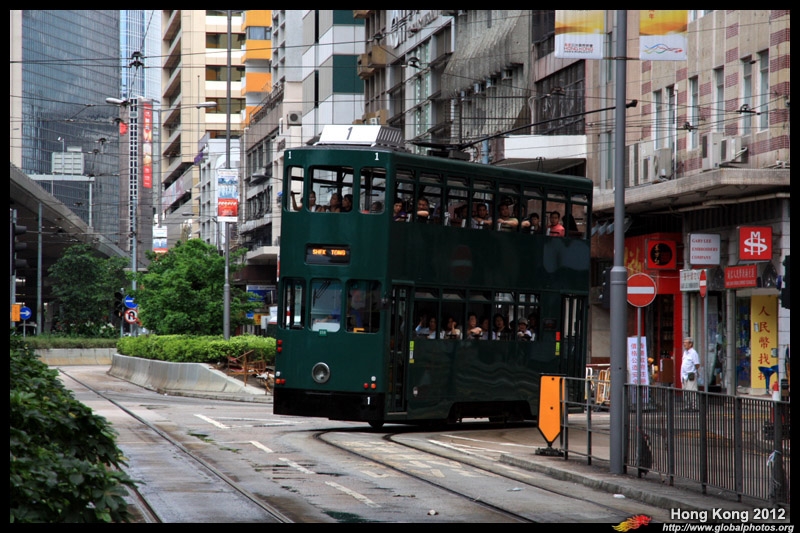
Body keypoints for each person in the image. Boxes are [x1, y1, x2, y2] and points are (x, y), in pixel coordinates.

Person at [681, 336, 701, 410]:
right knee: (685, 391)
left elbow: (697, 364)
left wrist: (693, 371)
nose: (684, 344)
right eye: (684, 342)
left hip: (691, 375)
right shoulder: (685, 353)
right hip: (684, 375)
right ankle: (687, 406)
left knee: (692, 391)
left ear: (690, 344)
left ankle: (694, 406)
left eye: (686, 343)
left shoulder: (693, 353)